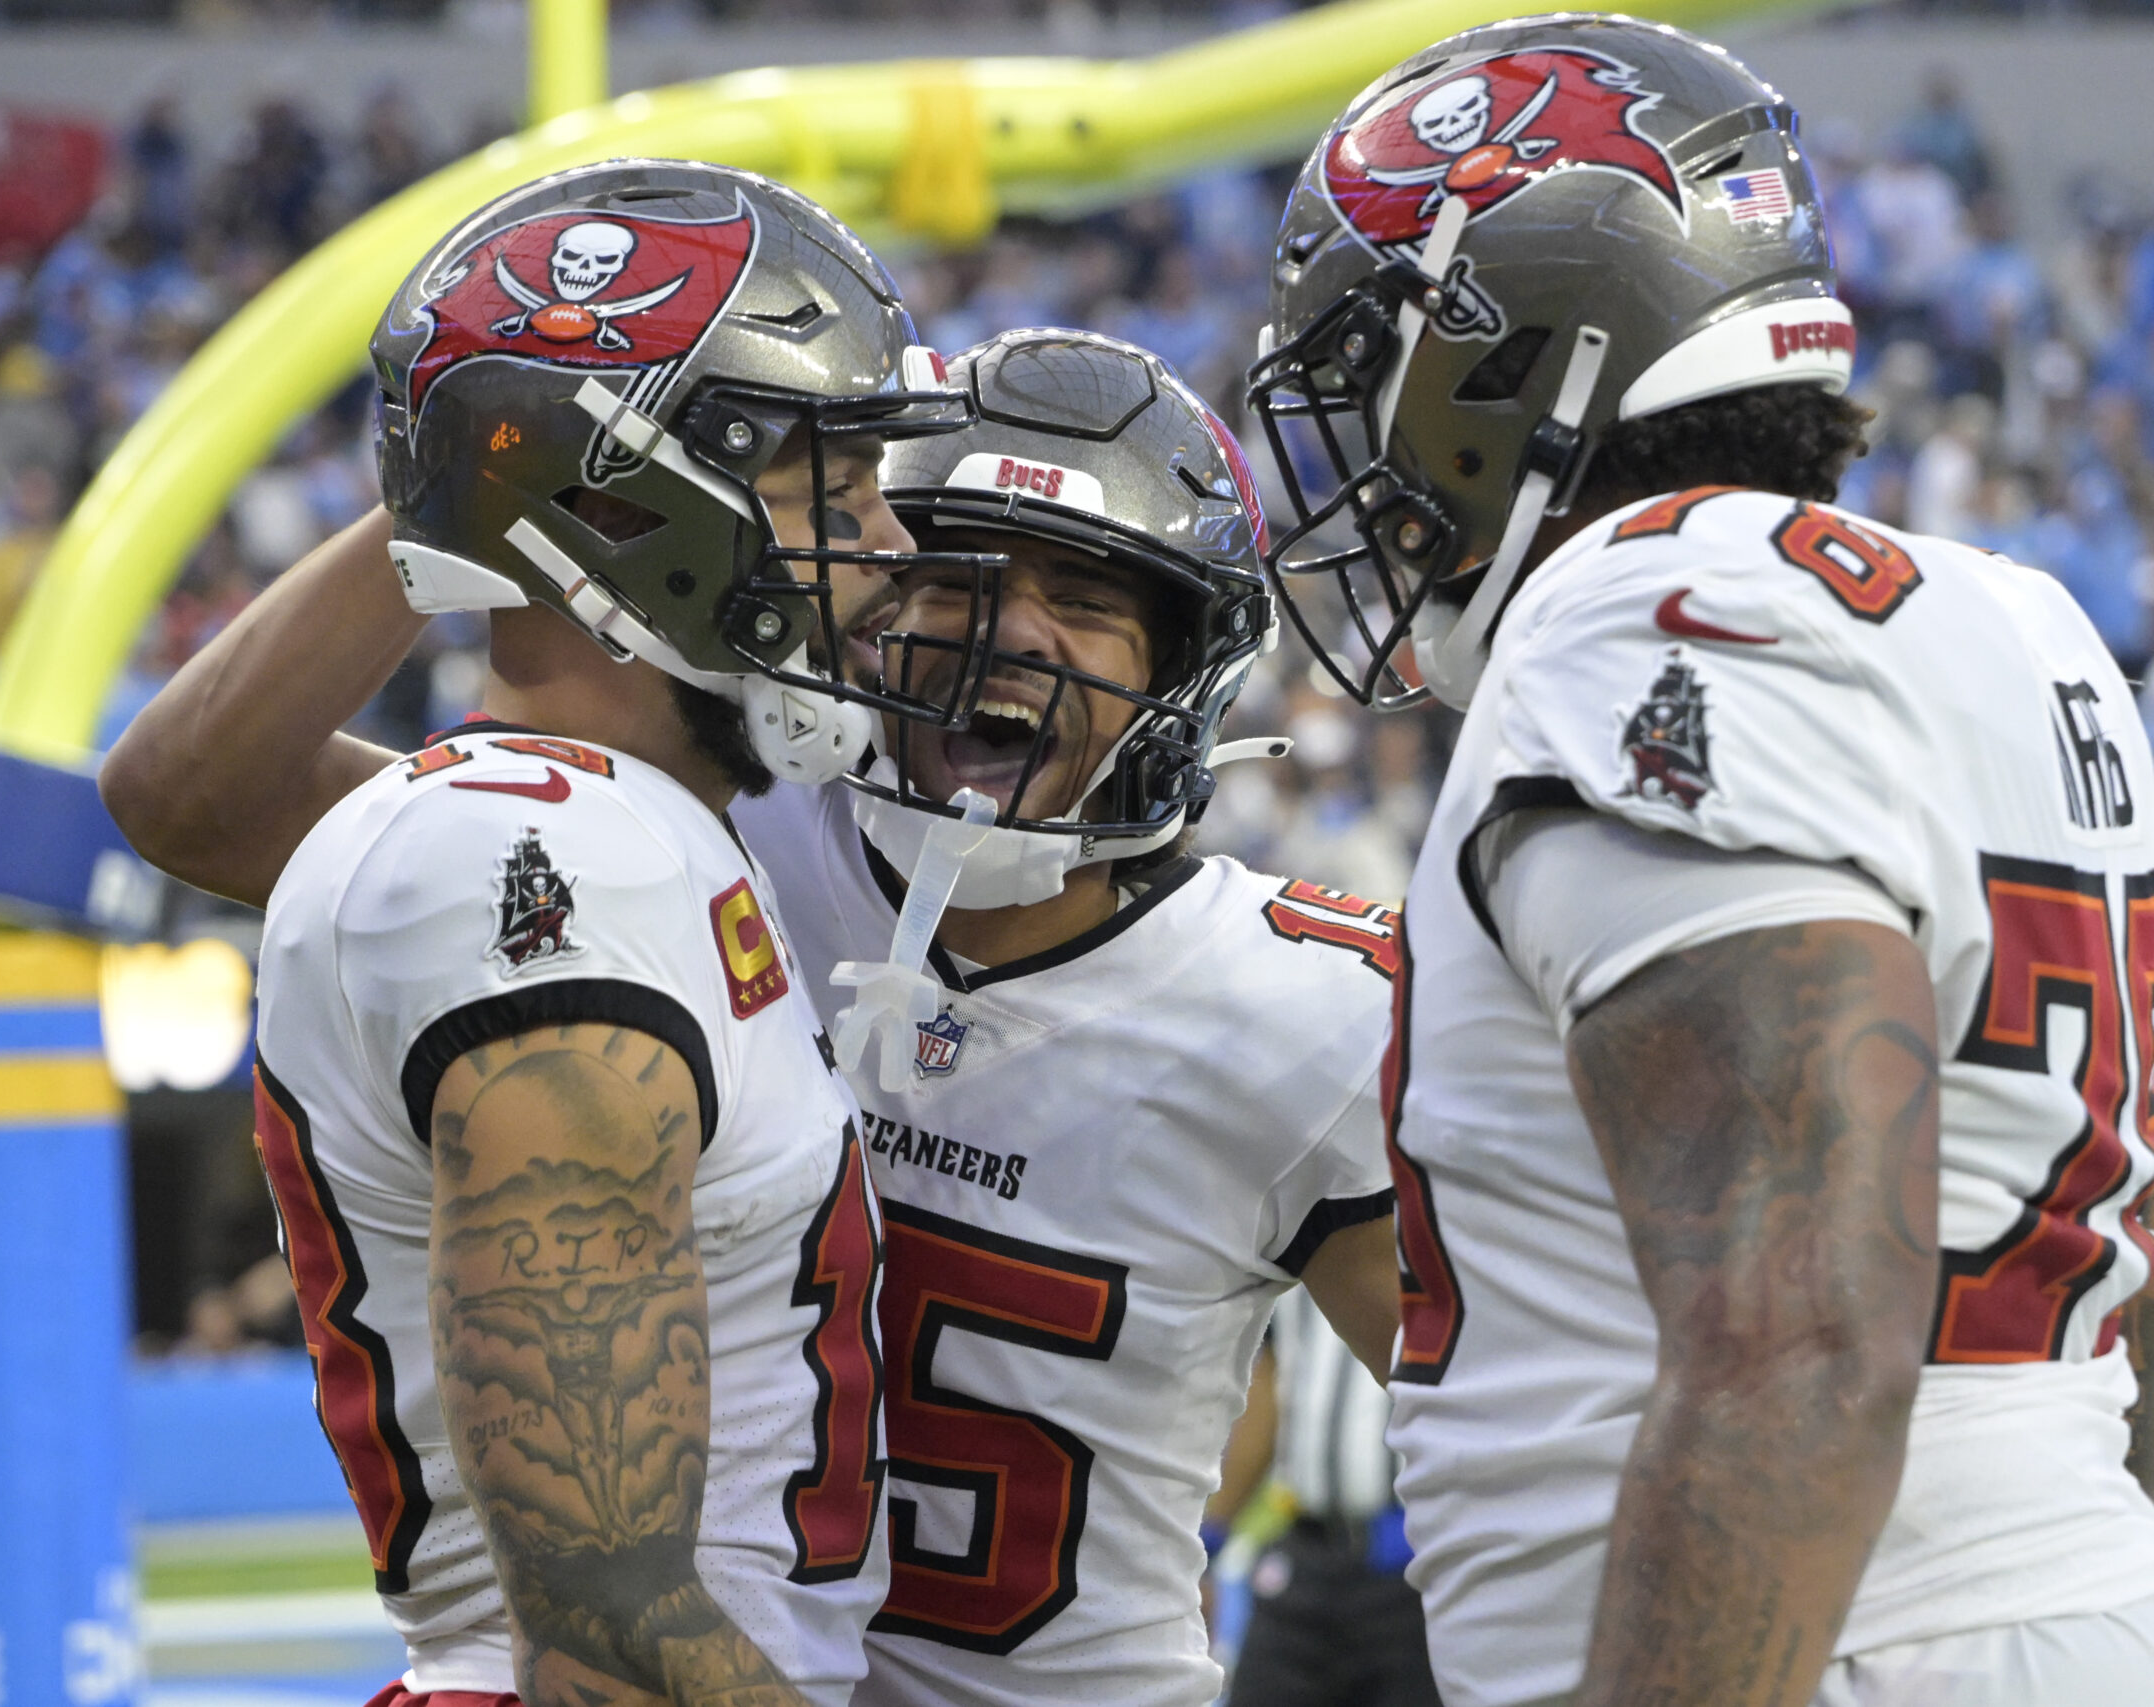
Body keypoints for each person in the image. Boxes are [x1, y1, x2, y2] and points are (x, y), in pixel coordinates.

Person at [104, 322, 1404, 1707]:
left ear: (1179, 671)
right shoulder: (681, 835)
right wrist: (508, 452)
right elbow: (199, 799)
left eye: (1090, 597)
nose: (1016, 630)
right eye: (960, 572)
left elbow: (1529, 1445)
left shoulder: (1312, 1006)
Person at [1245, 16, 2154, 1706]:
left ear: (1521, 362)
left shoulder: (1637, 611)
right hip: (2078, 1617)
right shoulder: (2023, 621)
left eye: (1382, 381)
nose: (1372, 457)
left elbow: (1800, 1344)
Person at [164, 158, 982, 1707]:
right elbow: (604, 1610)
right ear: (638, 507)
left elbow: (181, 792)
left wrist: (505, 456)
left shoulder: (610, 831)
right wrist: (509, 461)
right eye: (833, 490)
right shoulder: (543, 860)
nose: (881, 550)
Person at [1218, 1291, 1441, 1707]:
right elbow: (1270, 1381)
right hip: (1305, 1548)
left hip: (1415, 1565)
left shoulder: (1449, 1237)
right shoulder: (1290, 1237)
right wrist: (1212, 1529)